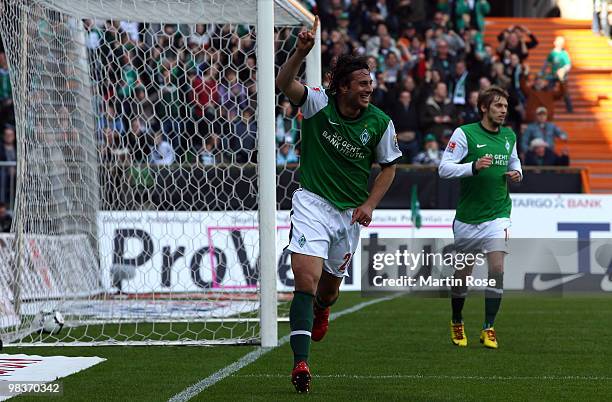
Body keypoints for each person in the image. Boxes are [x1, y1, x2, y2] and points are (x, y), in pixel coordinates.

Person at [275, 16, 402, 393]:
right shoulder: (318, 103)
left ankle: (323, 309)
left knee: (327, 292)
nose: (369, 89)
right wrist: (300, 52)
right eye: (363, 84)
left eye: (371, 83)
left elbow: (389, 169)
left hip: (348, 216)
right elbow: (283, 84)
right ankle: (301, 363)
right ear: (343, 86)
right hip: (312, 202)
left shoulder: (380, 122)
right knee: (305, 279)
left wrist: (369, 203)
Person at [438, 86, 522, 349]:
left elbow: (514, 162)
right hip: (468, 218)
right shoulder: (465, 134)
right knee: (462, 276)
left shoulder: (509, 136)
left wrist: (518, 173)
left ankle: (489, 327)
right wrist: (472, 167)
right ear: (484, 107)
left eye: (505, 107)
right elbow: (444, 169)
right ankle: (457, 319)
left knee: (497, 269)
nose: (503, 111)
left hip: (498, 215)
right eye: (498, 106)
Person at [542, 36, 572, 112]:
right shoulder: (552, 53)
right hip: (553, 74)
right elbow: (547, 63)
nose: (559, 44)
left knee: (565, 91)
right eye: (558, 42)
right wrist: (542, 71)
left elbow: (568, 65)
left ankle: (569, 108)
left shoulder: (564, 53)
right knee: (548, 89)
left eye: (561, 43)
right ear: (555, 43)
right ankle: (547, 106)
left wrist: (563, 70)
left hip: (562, 75)